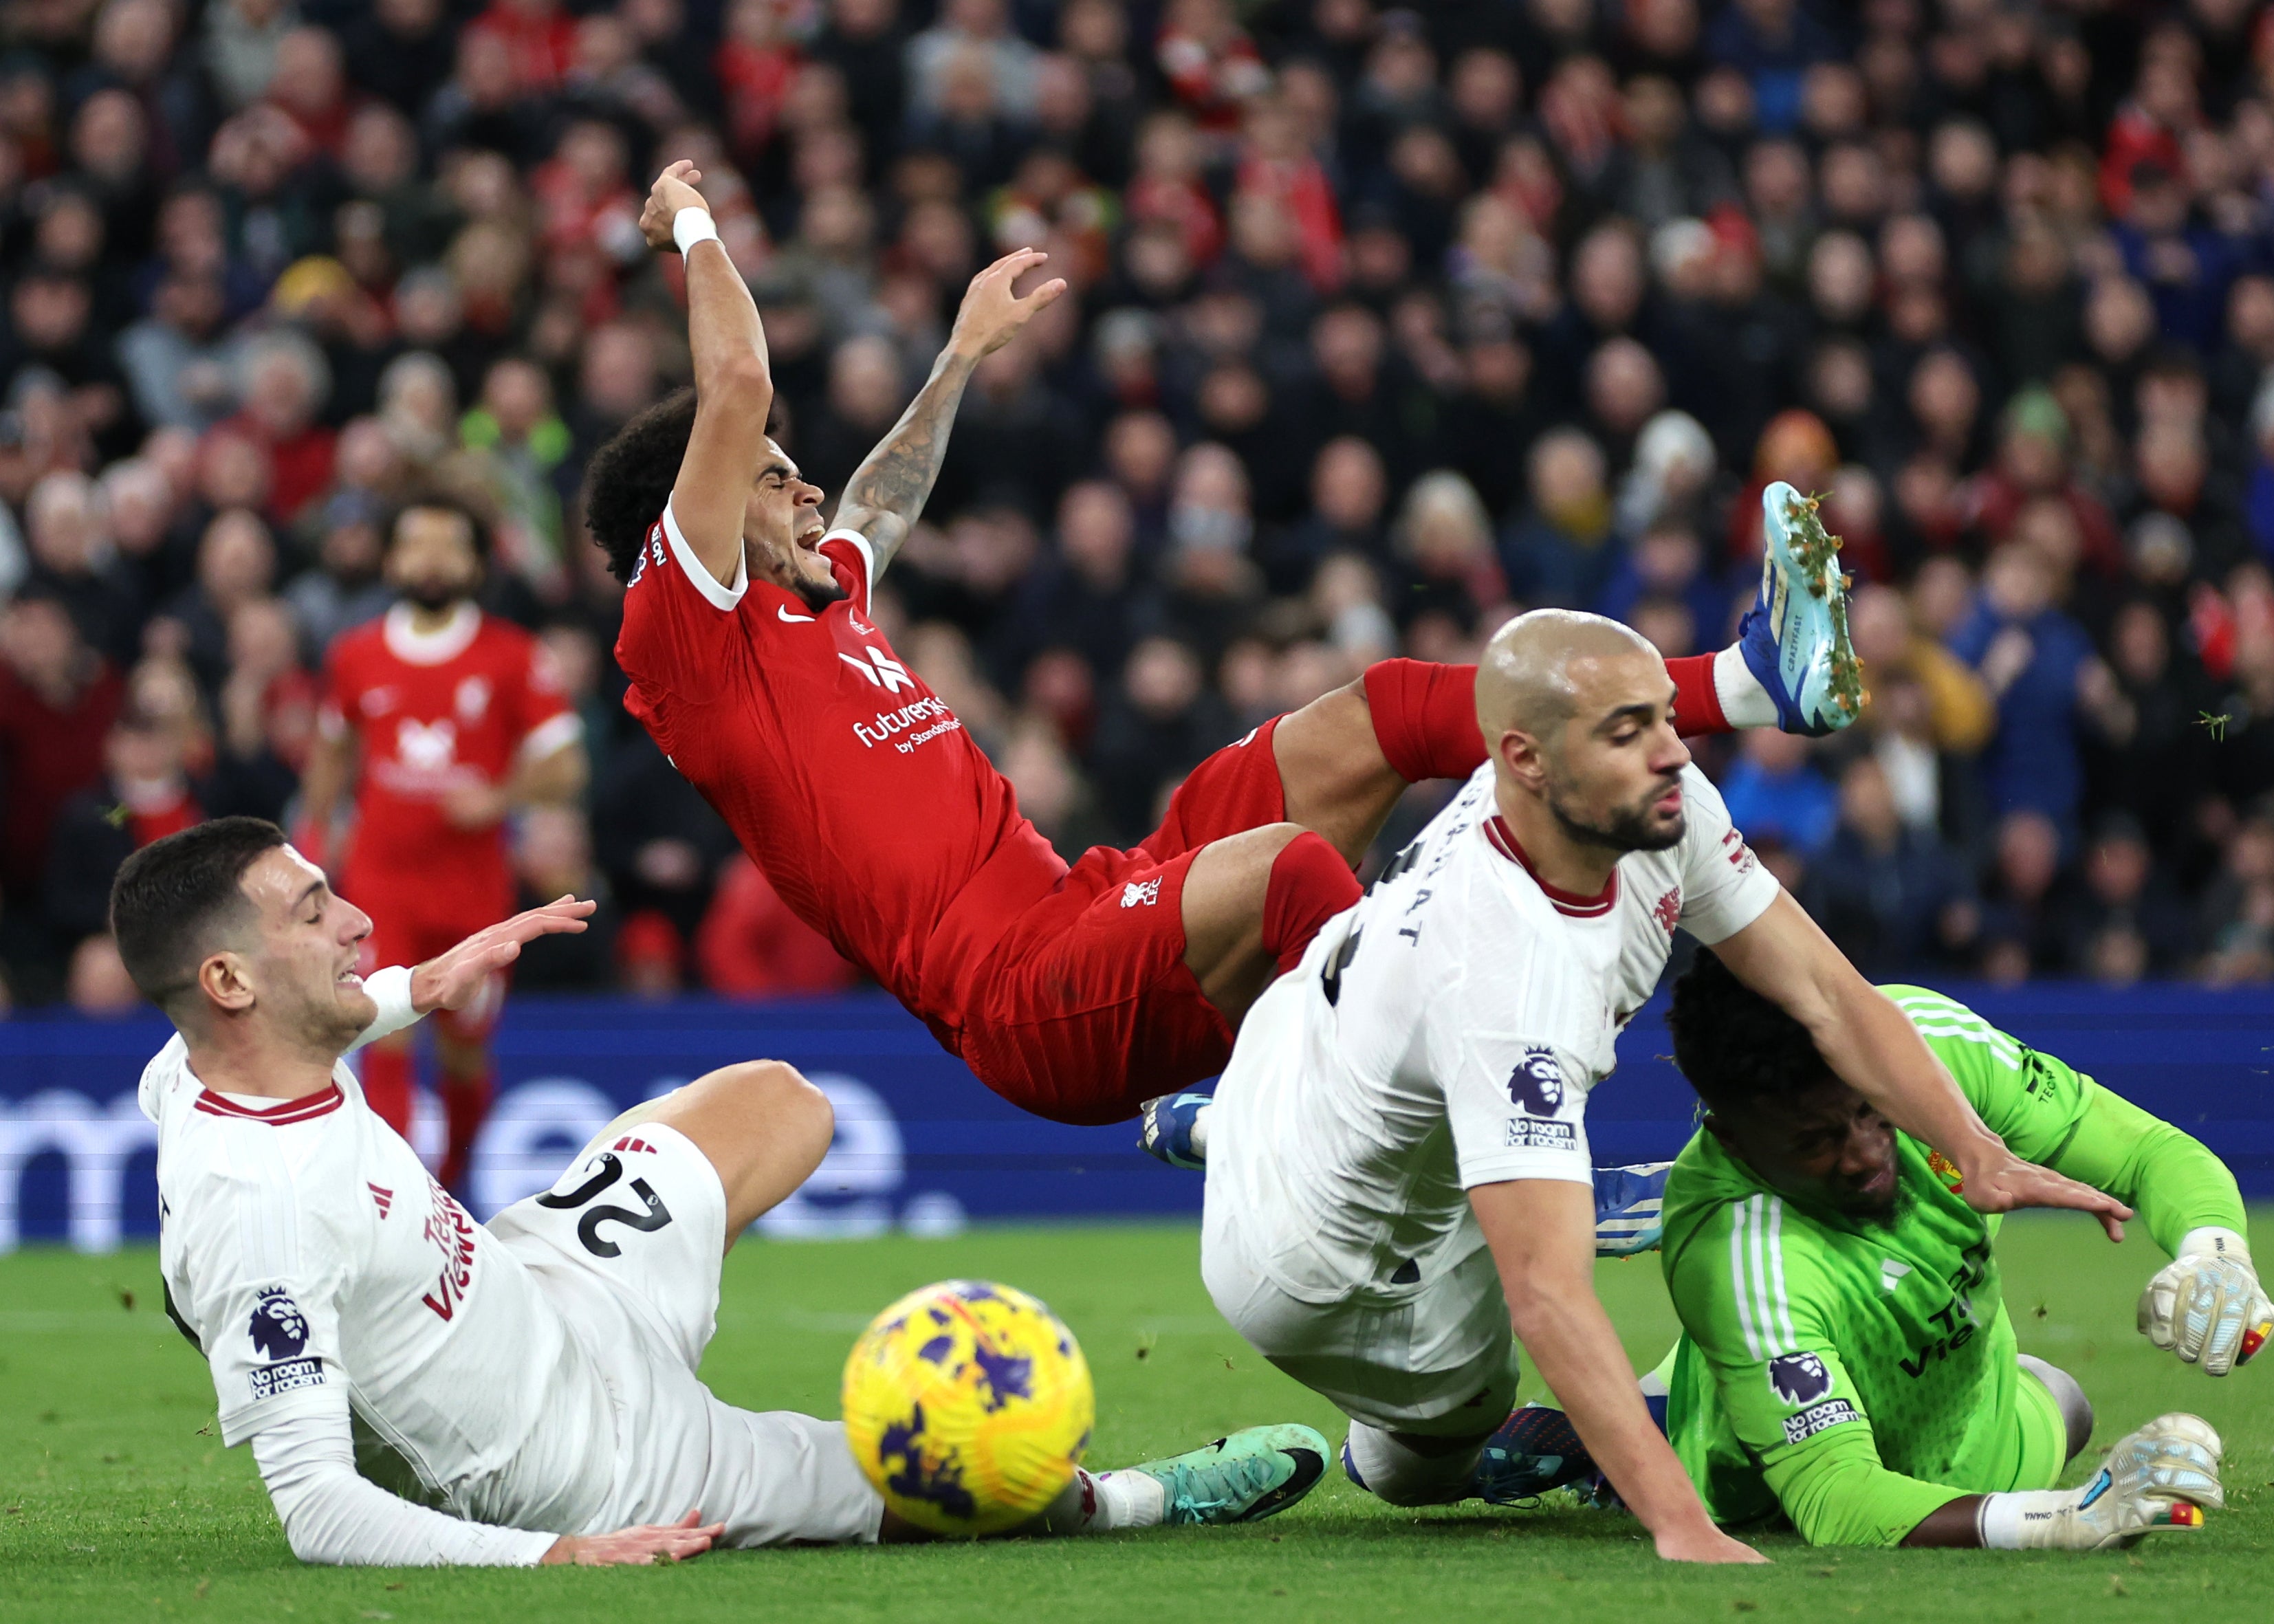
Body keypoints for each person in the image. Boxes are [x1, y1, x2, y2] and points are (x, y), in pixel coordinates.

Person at [587, 159, 1861, 1129]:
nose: (805, 493)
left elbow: (876, 499)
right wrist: (690, 223)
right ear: (686, 519)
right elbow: (737, 388)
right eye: (772, 482)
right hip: (1022, 995)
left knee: (1377, 710)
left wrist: (959, 357)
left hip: (1083, 897)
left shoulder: (822, 603)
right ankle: (1419, 1131)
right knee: (1289, 867)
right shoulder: (690, 640)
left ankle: (1749, 680)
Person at [117, 817, 1331, 1567]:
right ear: (227, 975)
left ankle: (657, 1276)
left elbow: (219, 1053)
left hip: (545, 1276)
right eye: (314, 910)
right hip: (593, 1457)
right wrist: (554, 1556)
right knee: (919, 1481)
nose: (360, 917)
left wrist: (418, 986)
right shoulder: (255, 1208)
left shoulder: (190, 1064)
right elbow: (318, 1509)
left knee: (781, 1102)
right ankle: (1130, 1499)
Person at [1183, 611, 2130, 1563]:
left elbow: (1829, 997)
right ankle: (1319, 1174)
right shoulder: (1505, 983)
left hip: (1303, 1036)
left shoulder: (1642, 807)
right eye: (1626, 732)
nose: (1671, 752)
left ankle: (1237, 1130)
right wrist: (1680, 1522)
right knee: (1420, 1465)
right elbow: (1547, 1297)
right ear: (1524, 761)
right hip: (1332, 1263)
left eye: (1664, 717)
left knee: (1449, 1119)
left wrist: (1975, 1149)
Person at [1646, 950, 2268, 1548]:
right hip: (1767, 1491)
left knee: (2068, 1401)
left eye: (1872, 1107)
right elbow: (1834, 1494)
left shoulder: (1924, 1044)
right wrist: (2064, 1518)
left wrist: (2215, 1252)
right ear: (1731, 1138)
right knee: (1748, 1349)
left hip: (1968, 1435)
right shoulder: (1736, 1253)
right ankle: (1644, 1415)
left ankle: (1663, 1385)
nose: (1866, 1152)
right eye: (1816, 1139)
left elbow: (2147, 1151)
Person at [300, 497, 586, 1188]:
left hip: (473, 893)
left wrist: (499, 796)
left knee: (463, 1049)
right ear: (393, 559)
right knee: (384, 1033)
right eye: (416, 544)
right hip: (380, 885)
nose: (431, 559)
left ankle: (452, 1176)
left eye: (448, 545)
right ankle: (401, 1203)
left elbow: (566, 764)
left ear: (474, 563)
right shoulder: (355, 654)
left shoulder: (513, 656)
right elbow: (332, 753)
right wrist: (313, 844)